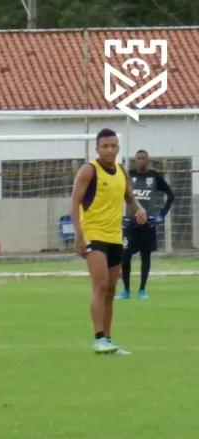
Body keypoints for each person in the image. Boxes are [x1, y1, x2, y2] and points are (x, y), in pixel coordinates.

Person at [70, 128, 147, 355]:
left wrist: (139, 209)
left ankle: (109, 340)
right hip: (93, 235)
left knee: (112, 289)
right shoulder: (88, 170)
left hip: (115, 236)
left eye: (113, 146)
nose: (109, 150)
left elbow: (130, 200)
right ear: (97, 148)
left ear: (118, 148)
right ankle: (98, 338)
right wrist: (78, 235)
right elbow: (74, 202)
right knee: (101, 285)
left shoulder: (122, 171)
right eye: (105, 146)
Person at [117, 149, 174, 300]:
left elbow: (171, 195)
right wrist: (120, 216)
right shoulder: (129, 176)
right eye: (138, 158)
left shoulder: (154, 176)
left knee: (146, 256)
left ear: (147, 160)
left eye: (144, 158)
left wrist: (161, 215)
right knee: (125, 255)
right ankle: (126, 290)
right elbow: (116, 195)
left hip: (147, 224)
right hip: (130, 224)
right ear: (135, 160)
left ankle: (142, 289)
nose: (141, 160)